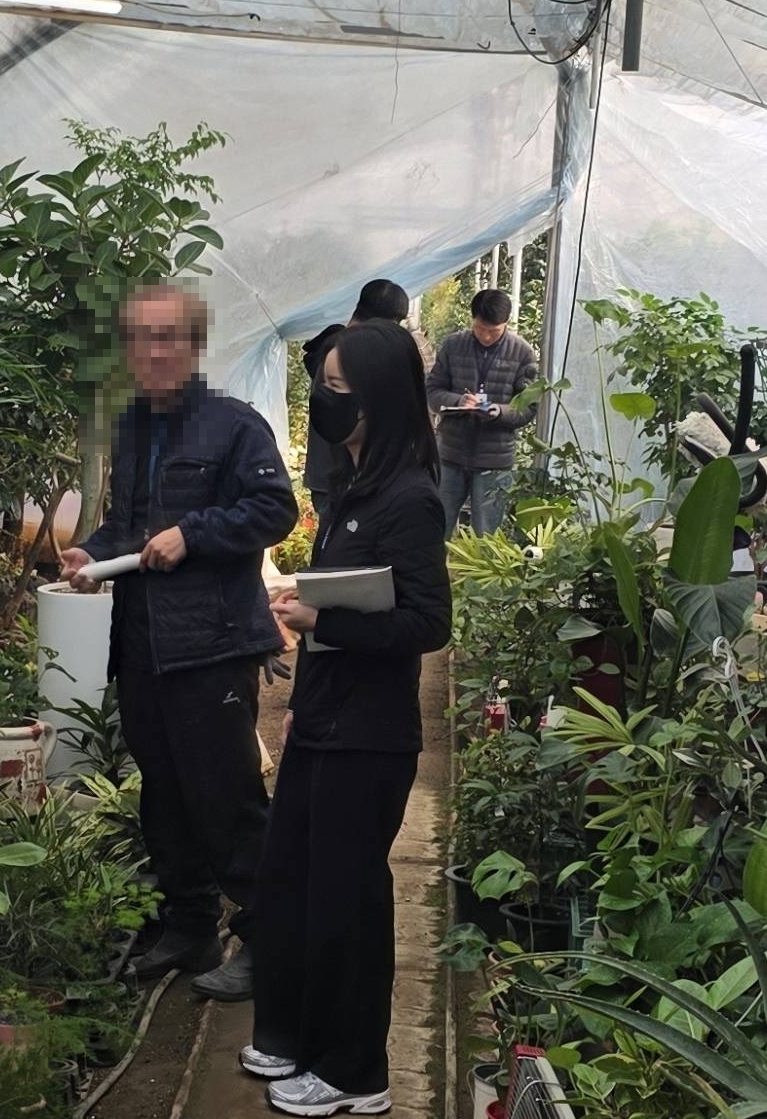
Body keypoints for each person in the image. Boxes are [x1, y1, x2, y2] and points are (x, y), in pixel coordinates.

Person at [60, 283, 297, 1003]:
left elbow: (274, 510)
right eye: (139, 338)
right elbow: (128, 527)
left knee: (226, 798)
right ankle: (189, 926)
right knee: (163, 795)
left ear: (193, 346)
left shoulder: (233, 425)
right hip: (142, 646)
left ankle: (270, 940)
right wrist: (92, 552)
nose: (152, 352)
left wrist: (194, 534)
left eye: (167, 337)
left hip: (209, 646)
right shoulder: (133, 428)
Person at [242, 320, 452, 1118]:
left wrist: (320, 622)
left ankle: (354, 1071)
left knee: (346, 897)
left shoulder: (409, 499)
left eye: (336, 390)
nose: (322, 403)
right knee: (290, 878)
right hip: (325, 719)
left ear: (378, 399)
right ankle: (295, 1035)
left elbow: (427, 622)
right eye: (320, 387)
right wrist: (301, 697)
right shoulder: (354, 485)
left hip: (369, 735)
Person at [425, 288, 538, 537]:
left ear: (506, 324)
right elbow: (433, 391)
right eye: (479, 328)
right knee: (435, 527)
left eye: (493, 331)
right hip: (451, 453)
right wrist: (458, 401)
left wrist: (499, 411)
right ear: (472, 319)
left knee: (487, 534)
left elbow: (529, 406)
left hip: (495, 460)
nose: (486, 336)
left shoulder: (522, 353)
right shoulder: (454, 345)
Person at [303, 279, 411, 521]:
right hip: (344, 474)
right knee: (346, 541)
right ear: (386, 323)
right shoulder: (351, 353)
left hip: (332, 473)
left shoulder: (337, 345)